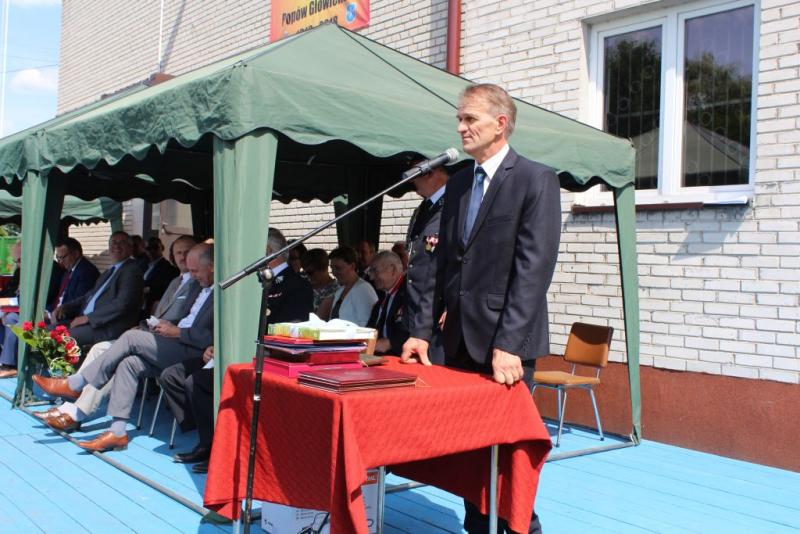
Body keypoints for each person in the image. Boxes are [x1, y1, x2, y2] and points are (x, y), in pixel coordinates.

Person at [401, 83, 561, 534]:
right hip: (458, 343)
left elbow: (533, 271)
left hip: (506, 348)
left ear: (500, 123)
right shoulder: (457, 185)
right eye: (459, 118)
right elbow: (437, 265)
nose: (461, 127)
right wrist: (420, 331)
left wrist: (509, 344)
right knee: (472, 457)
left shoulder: (535, 179)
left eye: (470, 118)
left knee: (507, 458)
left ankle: (524, 529)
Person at [33, 243, 214, 451]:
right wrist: (165, 326)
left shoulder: (223, 293)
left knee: (129, 338)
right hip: (174, 341)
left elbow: (216, 336)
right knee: (129, 364)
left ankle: (76, 383)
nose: (192, 275)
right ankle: (117, 432)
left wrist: (178, 332)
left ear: (211, 267)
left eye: (195, 271)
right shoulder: (198, 286)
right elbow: (182, 318)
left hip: (195, 351)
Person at [165, 229, 313, 473]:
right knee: (175, 375)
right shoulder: (254, 281)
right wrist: (218, 345)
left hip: (264, 359)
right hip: (234, 351)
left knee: (197, 382)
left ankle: (218, 447)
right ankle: (209, 441)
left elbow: (287, 332)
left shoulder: (296, 285)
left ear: (267, 252)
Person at [52, 231, 143, 347]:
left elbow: (122, 303)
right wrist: (65, 307)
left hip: (107, 326)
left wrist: (88, 318)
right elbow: (88, 296)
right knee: (47, 330)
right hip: (90, 322)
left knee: (60, 338)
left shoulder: (132, 270)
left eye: (122, 242)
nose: (116, 246)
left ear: (130, 248)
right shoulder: (109, 272)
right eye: (113, 242)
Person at [404, 162, 449, 365]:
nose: (412, 181)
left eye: (416, 173)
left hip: (438, 313)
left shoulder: (455, 205)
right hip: (416, 308)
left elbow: (460, 260)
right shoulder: (424, 208)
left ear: (432, 172)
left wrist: (451, 306)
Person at [0, 243, 65, 378]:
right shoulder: (21, 270)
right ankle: (7, 361)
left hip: (43, 312)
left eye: (19, 260)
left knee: (12, 321)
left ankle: (9, 365)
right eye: (16, 261)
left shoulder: (50, 269)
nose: (18, 265)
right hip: (21, 309)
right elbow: (9, 291)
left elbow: (45, 297)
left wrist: (17, 298)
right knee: (9, 317)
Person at [319, 245, 377, 327]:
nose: (334, 272)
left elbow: (368, 324)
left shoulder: (363, 289)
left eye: (338, 268)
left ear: (352, 266)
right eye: (332, 268)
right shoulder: (340, 291)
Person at [366, 251, 409, 355]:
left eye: (375, 271)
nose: (371, 277)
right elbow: (370, 329)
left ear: (392, 270)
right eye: (370, 272)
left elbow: (414, 329)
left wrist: (390, 343)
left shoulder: (410, 293)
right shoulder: (383, 295)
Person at [49, 237, 100, 315]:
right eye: (58, 258)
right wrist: (47, 312)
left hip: (67, 317)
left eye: (63, 257)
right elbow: (59, 299)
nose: (60, 262)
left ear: (76, 254)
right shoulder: (69, 270)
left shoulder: (86, 272)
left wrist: (51, 315)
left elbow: (77, 305)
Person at [142, 236, 179, 314]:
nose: (152, 250)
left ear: (162, 248)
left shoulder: (167, 268)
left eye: (155, 247)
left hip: (155, 307)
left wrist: (147, 289)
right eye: (149, 248)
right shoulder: (144, 265)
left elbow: (164, 288)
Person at [300, 248, 339, 315]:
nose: (307, 275)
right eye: (304, 272)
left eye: (310, 272)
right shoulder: (302, 286)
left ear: (323, 269)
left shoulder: (336, 292)